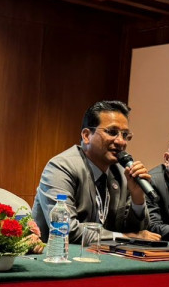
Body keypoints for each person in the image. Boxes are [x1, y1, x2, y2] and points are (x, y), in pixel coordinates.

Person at [32, 100, 160, 243]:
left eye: (125, 135)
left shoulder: (122, 173)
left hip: (105, 255)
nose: (121, 141)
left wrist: (138, 198)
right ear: (87, 135)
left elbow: (138, 233)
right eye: (112, 132)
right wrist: (123, 237)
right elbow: (65, 230)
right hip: (59, 254)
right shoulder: (61, 167)